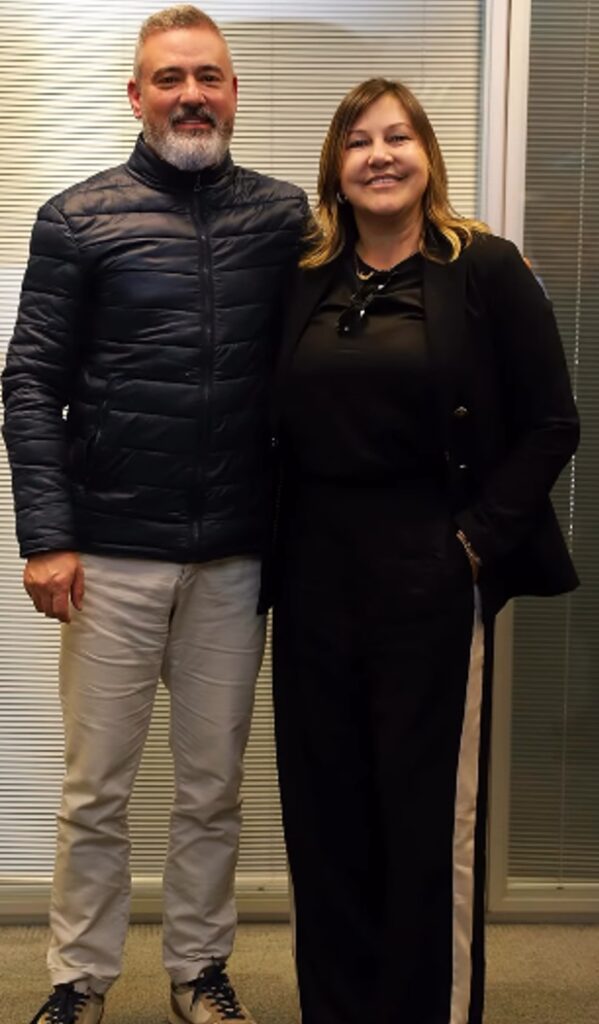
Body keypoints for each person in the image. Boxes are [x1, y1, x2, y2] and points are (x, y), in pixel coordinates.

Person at [2, 6, 307, 1024]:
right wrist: (47, 536)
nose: (190, 95)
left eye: (207, 77)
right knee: (97, 789)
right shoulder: (77, 218)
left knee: (212, 787)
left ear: (234, 92)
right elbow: (29, 384)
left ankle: (198, 971)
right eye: (169, 78)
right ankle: (78, 981)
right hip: (109, 555)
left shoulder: (285, 220)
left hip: (235, 556)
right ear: (135, 95)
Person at [267, 78, 579, 1024]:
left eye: (397, 137)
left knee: (427, 815)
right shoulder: (304, 274)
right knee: (325, 812)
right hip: (314, 573)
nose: (379, 156)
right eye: (358, 141)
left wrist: (474, 545)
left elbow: (552, 423)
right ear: (335, 167)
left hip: (431, 570)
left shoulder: (482, 268)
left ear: (427, 156)